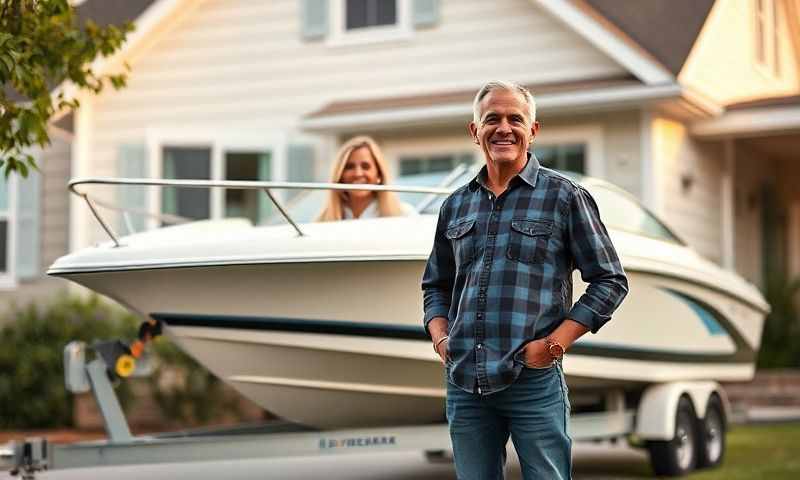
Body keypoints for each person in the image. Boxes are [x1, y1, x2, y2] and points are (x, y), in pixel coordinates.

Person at [422, 81, 628, 480]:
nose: (503, 128)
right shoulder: (455, 205)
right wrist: (441, 338)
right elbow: (436, 284)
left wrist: (554, 345)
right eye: (492, 119)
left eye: (515, 119)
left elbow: (609, 280)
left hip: (532, 379)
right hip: (465, 381)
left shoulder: (565, 197)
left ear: (532, 131)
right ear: (474, 131)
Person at [317, 135, 415, 221]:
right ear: (340, 175)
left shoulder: (405, 215)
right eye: (349, 167)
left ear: (379, 174)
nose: (358, 173)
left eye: (365, 166)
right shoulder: (322, 222)